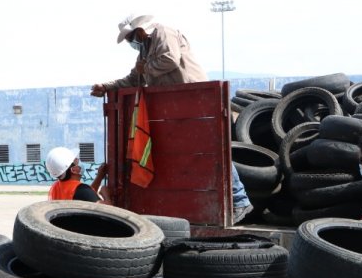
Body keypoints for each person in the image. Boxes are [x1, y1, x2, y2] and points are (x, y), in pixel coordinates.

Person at [90, 14, 251, 222]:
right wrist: (107, 87)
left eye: (130, 38)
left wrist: (145, 68)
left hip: (195, 99)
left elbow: (170, 60)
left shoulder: (163, 33)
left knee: (212, 151)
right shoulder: (145, 49)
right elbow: (134, 78)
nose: (131, 43)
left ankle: (239, 201)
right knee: (190, 155)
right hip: (174, 105)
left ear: (140, 31)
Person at [44, 147, 109, 203]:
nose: (79, 161)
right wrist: (105, 194)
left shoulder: (56, 187)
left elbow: (88, 194)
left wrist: (99, 177)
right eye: (76, 160)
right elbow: (109, 210)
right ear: (74, 170)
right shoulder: (82, 190)